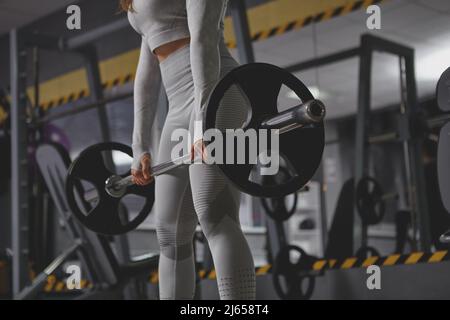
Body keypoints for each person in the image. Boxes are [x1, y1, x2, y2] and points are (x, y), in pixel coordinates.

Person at [122, 0, 256, 300]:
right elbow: (147, 72)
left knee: (216, 216)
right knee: (169, 233)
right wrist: (140, 144)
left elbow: (204, 36)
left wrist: (203, 121)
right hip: (177, 104)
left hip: (215, 90)